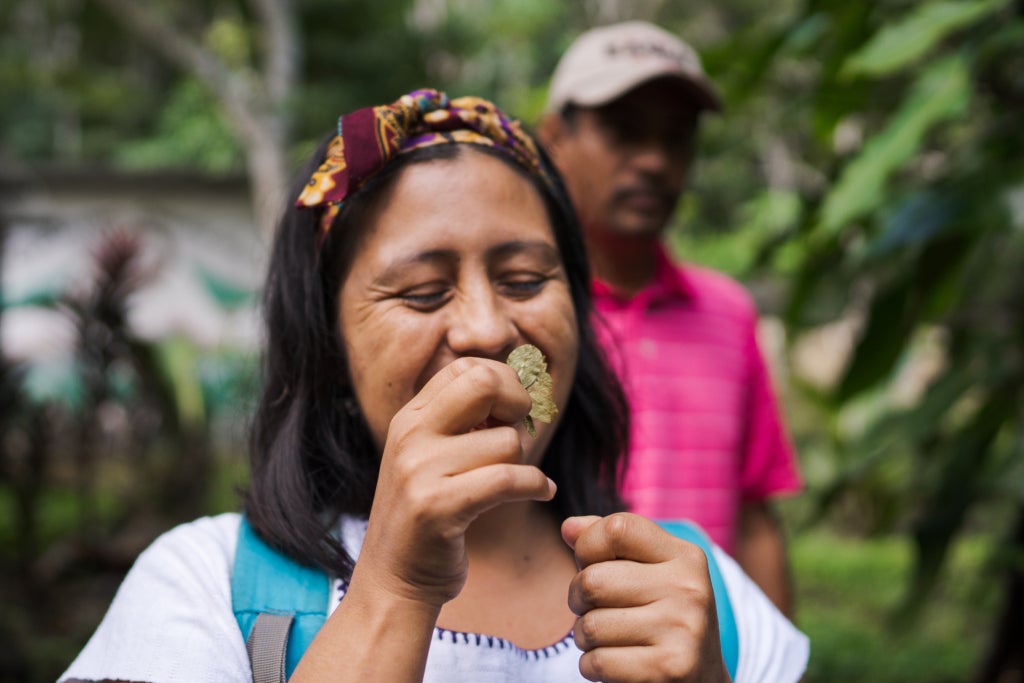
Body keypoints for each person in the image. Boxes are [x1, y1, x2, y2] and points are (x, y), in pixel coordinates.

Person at [60, 89, 808, 682]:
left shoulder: (703, 596)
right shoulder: (202, 589)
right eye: (421, 292)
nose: (486, 329)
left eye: (523, 279)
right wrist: (392, 587)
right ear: (331, 346)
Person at [536, 21, 803, 617]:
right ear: (554, 137)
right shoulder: (520, 316)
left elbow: (754, 515)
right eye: (623, 132)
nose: (655, 161)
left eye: (676, 139)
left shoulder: (728, 314)